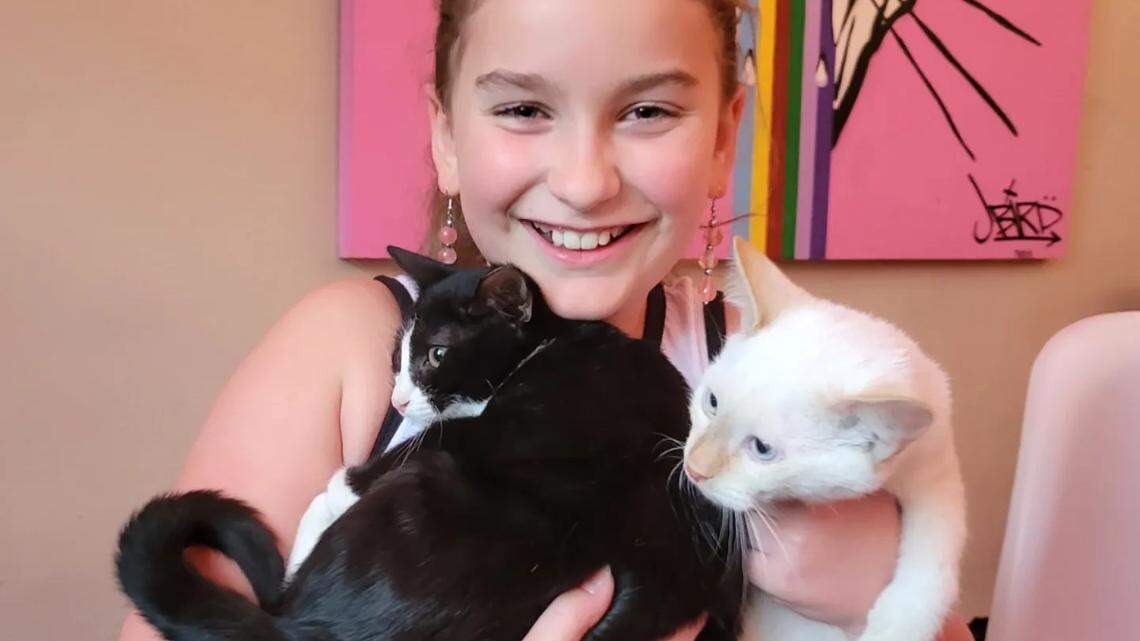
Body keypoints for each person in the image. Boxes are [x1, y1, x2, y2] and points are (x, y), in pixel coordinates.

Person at [119, 1, 971, 640]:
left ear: (723, 139)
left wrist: (880, 589)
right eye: (524, 109)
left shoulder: (766, 374)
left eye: (648, 111)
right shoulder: (346, 352)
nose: (585, 180)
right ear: (446, 136)